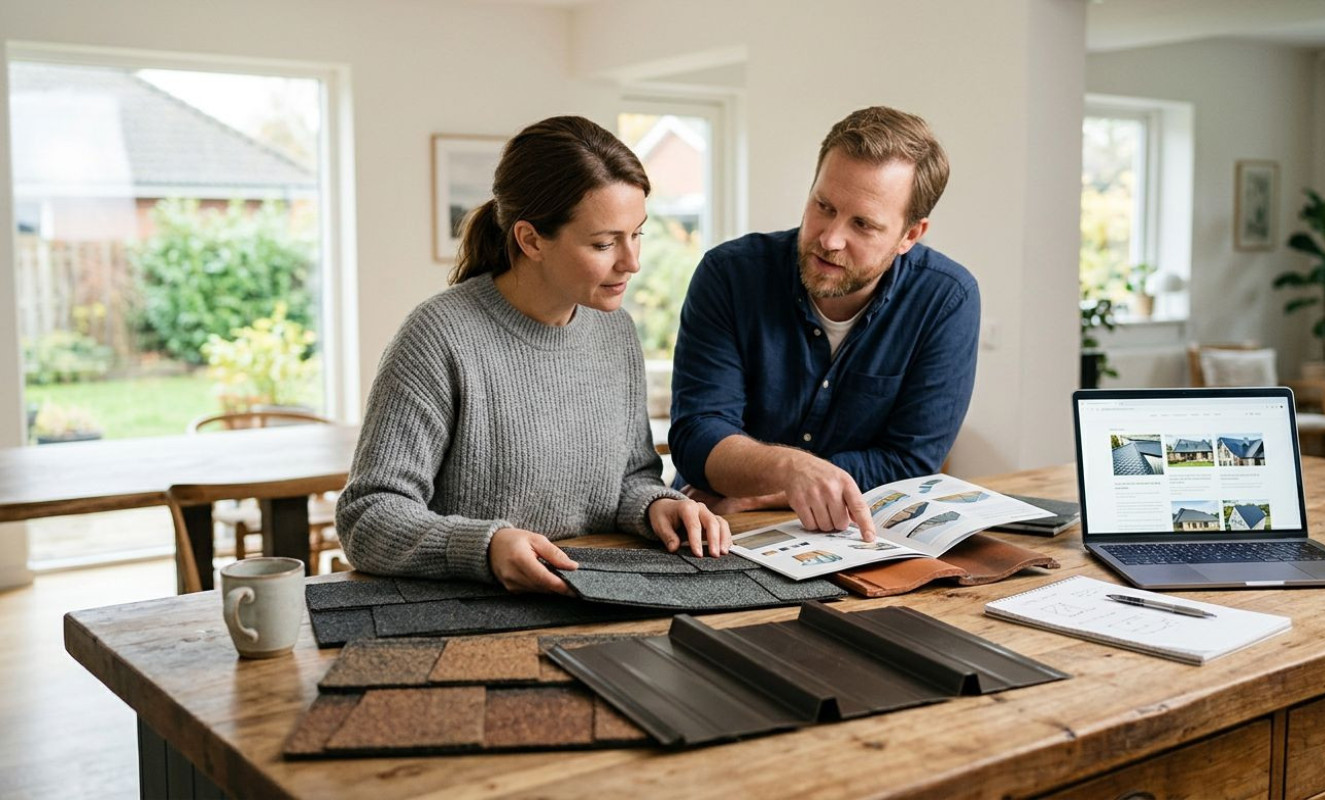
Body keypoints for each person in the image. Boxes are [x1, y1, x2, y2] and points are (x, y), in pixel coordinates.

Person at [338, 116, 730, 595]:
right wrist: (486, 547)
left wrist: (657, 506)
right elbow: (369, 517)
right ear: (530, 240)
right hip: (469, 610)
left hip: (592, 598)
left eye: (637, 234)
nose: (632, 262)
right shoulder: (438, 337)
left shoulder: (615, 331)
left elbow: (629, 479)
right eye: (604, 243)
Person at [669, 106, 980, 541]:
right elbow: (697, 436)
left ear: (911, 234)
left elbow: (909, 463)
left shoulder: (946, 299)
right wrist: (792, 470)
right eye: (824, 206)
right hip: (716, 528)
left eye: (863, 224)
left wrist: (770, 490)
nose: (830, 239)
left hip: (846, 536)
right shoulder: (729, 275)